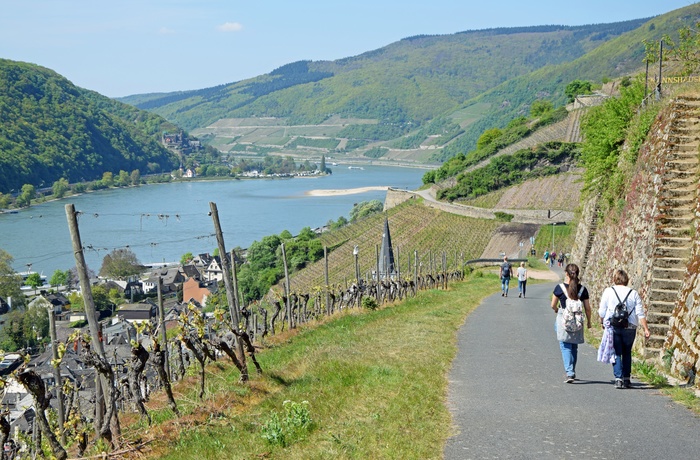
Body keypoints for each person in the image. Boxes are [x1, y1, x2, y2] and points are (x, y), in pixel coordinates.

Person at [598, 269, 650, 389]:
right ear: (627, 280)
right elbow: (640, 313)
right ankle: (627, 379)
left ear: (615, 279)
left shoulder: (609, 291)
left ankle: (618, 378)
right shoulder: (633, 293)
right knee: (627, 352)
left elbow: (602, 311)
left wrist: (602, 321)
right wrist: (646, 329)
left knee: (616, 352)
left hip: (613, 326)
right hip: (630, 327)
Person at [551, 263, 592, 383]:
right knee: (574, 345)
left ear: (566, 274)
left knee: (565, 345)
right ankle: (571, 370)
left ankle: (569, 373)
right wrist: (589, 321)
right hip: (577, 320)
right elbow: (587, 308)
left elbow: (553, 305)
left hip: (563, 318)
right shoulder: (583, 290)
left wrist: (557, 310)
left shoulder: (559, 288)